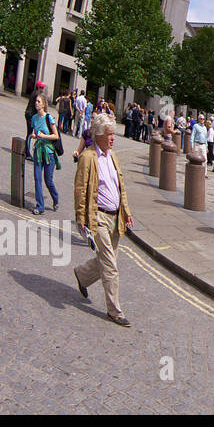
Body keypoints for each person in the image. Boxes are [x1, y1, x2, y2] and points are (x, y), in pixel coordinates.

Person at [72, 113, 134, 326]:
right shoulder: (88, 157)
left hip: (114, 218)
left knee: (108, 261)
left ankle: (82, 275)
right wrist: (81, 218)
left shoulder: (112, 156)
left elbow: (120, 187)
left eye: (113, 134)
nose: (112, 138)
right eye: (109, 134)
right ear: (98, 135)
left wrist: (126, 212)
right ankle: (114, 311)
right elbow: (80, 189)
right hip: (96, 216)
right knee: (110, 266)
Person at [29, 93, 62, 214]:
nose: (36, 103)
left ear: (43, 104)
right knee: (37, 179)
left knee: (48, 181)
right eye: (35, 101)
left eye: (38, 101)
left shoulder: (49, 118)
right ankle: (40, 206)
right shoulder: (34, 118)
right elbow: (36, 133)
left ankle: (55, 198)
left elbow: (56, 136)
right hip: (38, 151)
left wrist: (43, 136)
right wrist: (35, 136)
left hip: (49, 153)